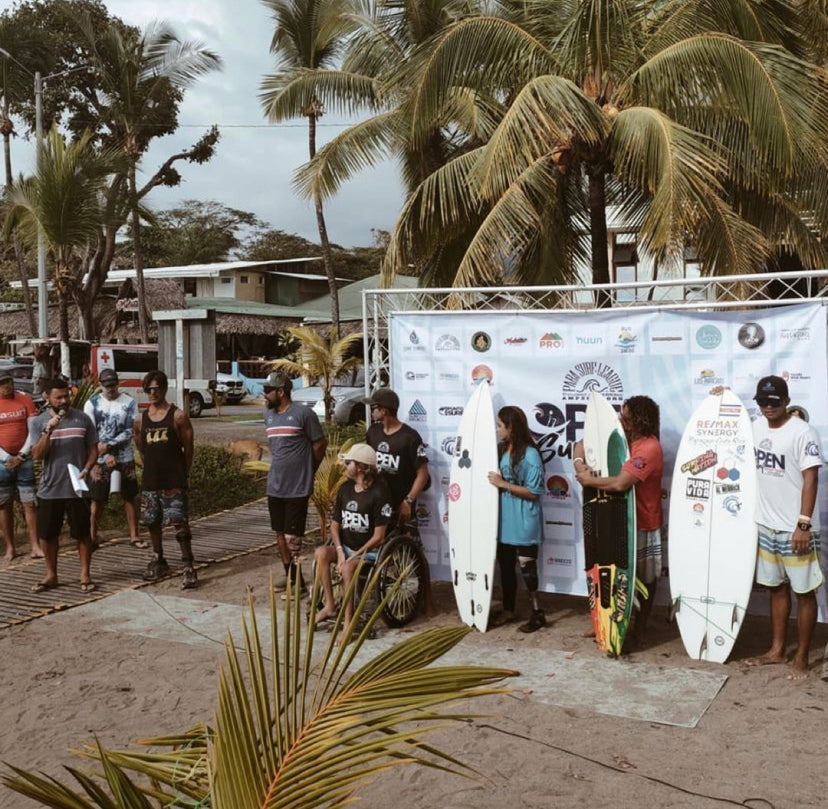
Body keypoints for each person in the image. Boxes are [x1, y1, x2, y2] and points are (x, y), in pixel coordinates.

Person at [747, 375, 823, 680]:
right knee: (776, 589)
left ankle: (802, 656)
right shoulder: (754, 426)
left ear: (786, 402)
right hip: (766, 525)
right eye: (763, 402)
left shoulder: (803, 432)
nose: (768, 407)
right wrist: (718, 396)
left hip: (796, 528)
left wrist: (803, 524)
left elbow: (811, 478)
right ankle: (777, 650)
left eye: (774, 402)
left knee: (804, 592)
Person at [574, 395, 664, 645]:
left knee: (645, 579)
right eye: (622, 417)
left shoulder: (649, 448)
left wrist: (589, 481)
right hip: (615, 519)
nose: (622, 421)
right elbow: (580, 444)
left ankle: (640, 627)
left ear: (640, 421)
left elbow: (620, 483)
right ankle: (605, 620)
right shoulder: (624, 437)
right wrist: (580, 465)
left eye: (627, 418)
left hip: (643, 522)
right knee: (611, 572)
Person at [314, 443, 392, 635]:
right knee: (321, 553)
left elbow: (379, 537)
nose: (344, 466)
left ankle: (349, 621)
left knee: (348, 568)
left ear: (360, 467)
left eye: (348, 463)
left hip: (369, 551)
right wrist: (340, 552)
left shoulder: (379, 494)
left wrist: (353, 556)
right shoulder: (345, 489)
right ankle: (330, 606)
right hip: (347, 548)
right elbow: (334, 525)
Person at [28, 378, 98, 592]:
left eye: (66, 395)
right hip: (50, 489)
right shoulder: (37, 422)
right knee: (48, 535)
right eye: (58, 397)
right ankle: (51, 574)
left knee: (82, 533)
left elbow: (94, 449)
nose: (64, 400)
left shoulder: (83, 419)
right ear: (47, 398)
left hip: (76, 488)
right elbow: (37, 455)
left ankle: (85, 574)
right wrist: (49, 430)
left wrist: (87, 468)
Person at [263, 371, 327, 593]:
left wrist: (309, 470)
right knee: (279, 533)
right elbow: (276, 448)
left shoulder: (304, 414)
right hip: (275, 486)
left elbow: (319, 444)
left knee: (293, 538)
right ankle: (292, 575)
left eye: (268, 391)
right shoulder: (268, 416)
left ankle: (298, 583)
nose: (264, 395)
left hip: (297, 487)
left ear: (281, 392)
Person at [133, 370, 197, 588]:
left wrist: (183, 474)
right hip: (151, 480)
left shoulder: (178, 416)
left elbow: (188, 449)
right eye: (149, 389)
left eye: (156, 388)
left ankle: (188, 565)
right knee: (151, 521)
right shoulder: (140, 421)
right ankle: (158, 557)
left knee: (179, 523)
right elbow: (141, 450)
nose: (153, 393)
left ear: (164, 389)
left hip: (174, 480)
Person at [487, 406, 546, 632]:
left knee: (527, 569)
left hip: (524, 521)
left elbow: (534, 492)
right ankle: (509, 610)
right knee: (506, 567)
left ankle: (537, 612)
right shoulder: (503, 449)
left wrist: (504, 485)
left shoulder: (530, 454)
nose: (497, 429)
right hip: (503, 521)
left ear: (511, 427)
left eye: (500, 426)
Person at [84, 369, 145, 550]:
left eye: (113, 385)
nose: (110, 389)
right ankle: (91, 538)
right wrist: (103, 453)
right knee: (97, 500)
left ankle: (134, 535)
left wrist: (108, 446)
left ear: (118, 383)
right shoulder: (92, 403)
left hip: (124, 456)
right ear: (100, 386)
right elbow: (89, 432)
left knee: (130, 497)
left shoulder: (129, 402)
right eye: (106, 385)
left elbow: (130, 430)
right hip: (99, 459)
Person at [364, 388, 429, 524]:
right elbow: (368, 461)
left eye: (374, 407)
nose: (371, 411)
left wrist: (408, 501)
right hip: (377, 499)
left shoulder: (410, 437)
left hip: (400, 501)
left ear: (384, 411)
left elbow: (423, 474)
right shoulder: (373, 431)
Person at [0, 369, 41, 562]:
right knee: (4, 505)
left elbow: (33, 431)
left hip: (24, 458)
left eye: (8, 382)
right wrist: (6, 456)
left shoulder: (25, 399)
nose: (6, 387)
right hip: (2, 460)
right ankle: (10, 547)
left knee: (29, 502)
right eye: (2, 384)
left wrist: (22, 455)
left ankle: (35, 545)